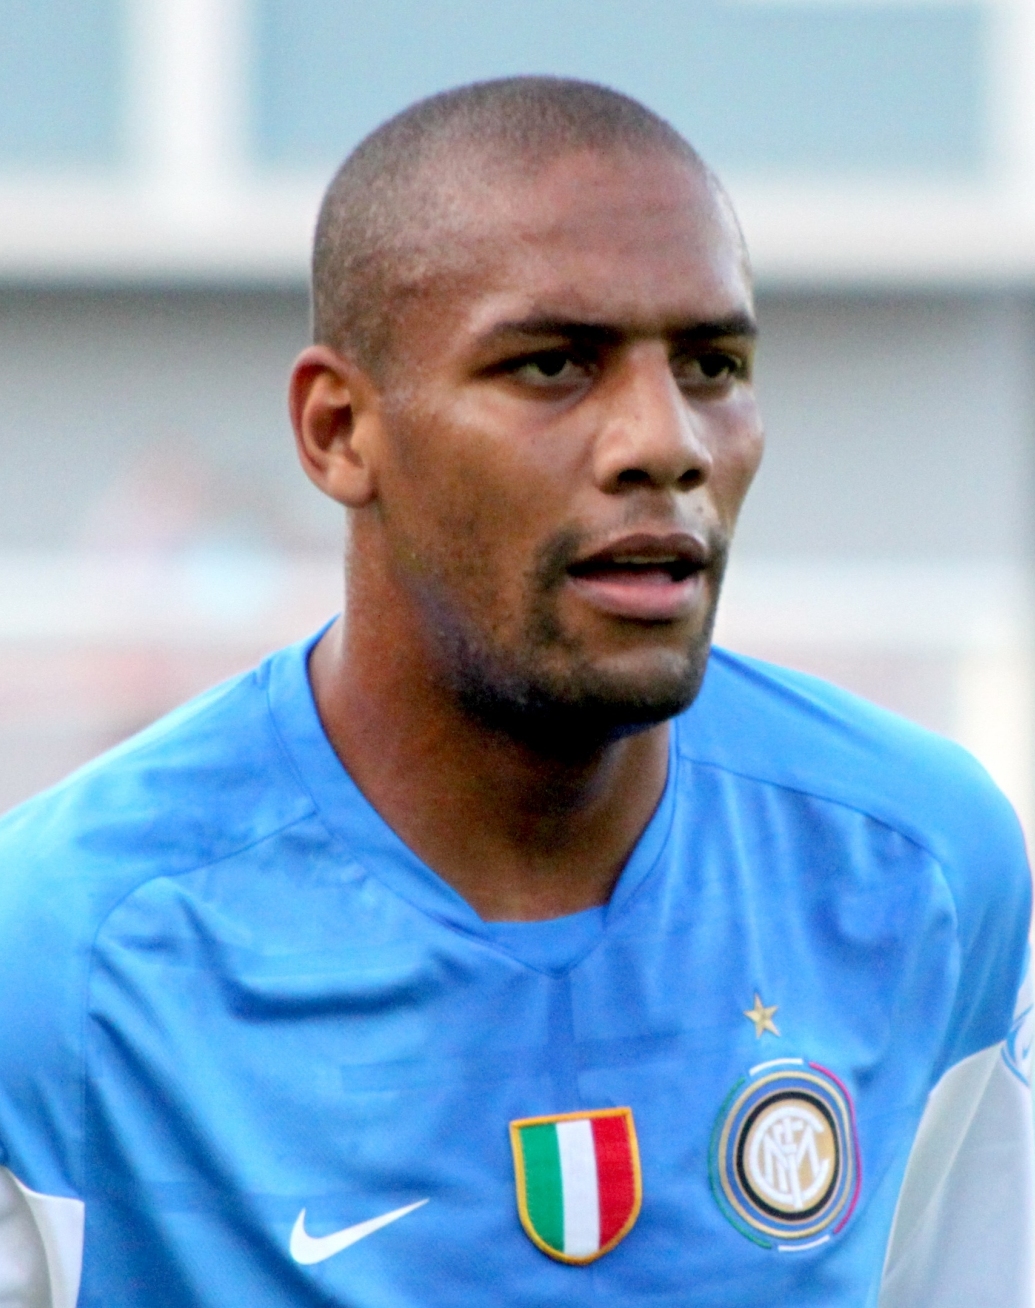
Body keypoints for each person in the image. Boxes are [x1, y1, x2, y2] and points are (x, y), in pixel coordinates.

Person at [0, 77, 1030, 1308]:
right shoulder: (59, 951)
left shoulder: (920, 865)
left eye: (712, 365)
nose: (667, 443)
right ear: (339, 431)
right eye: (552, 366)